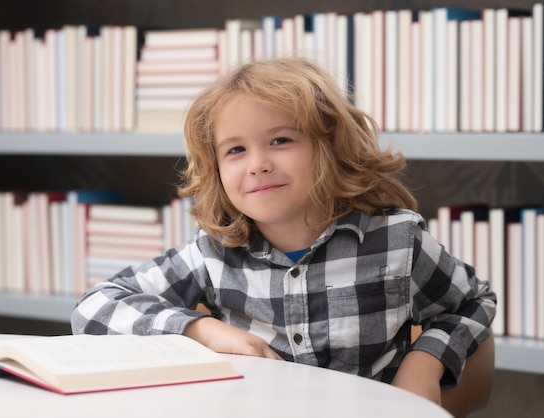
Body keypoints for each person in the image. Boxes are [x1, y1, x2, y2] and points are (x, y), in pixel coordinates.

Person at [71, 57, 496, 416]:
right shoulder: (213, 252)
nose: (257, 164)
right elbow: (95, 305)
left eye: (280, 140)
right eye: (235, 150)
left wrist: (425, 361)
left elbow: (473, 302)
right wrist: (199, 330)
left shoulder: (397, 240)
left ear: (328, 147)